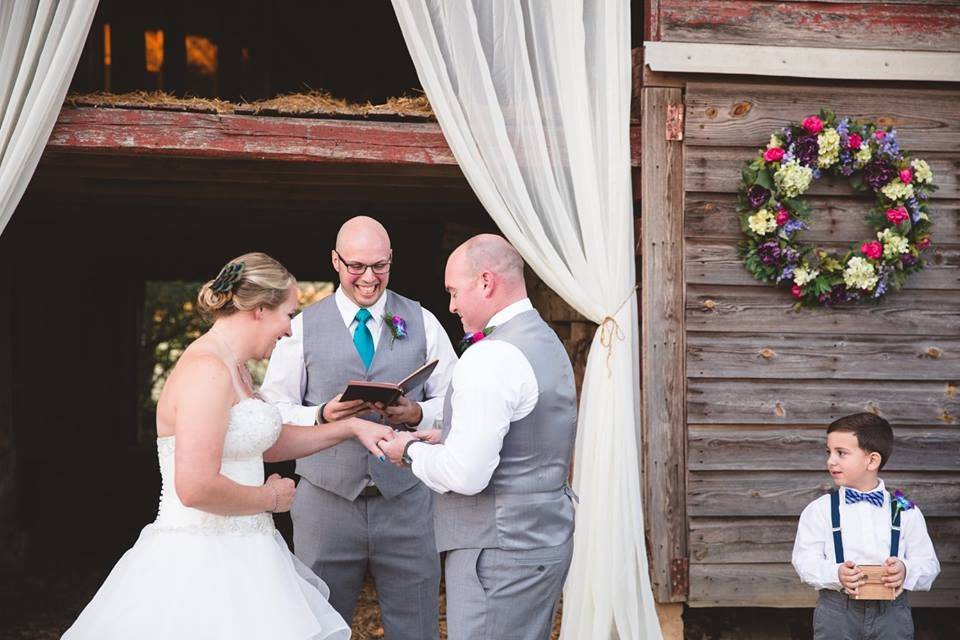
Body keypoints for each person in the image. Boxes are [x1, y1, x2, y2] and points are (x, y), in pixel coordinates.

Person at [63, 252, 395, 640]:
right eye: (288, 315)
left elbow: (262, 444)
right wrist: (270, 498)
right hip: (200, 561)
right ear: (259, 311)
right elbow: (195, 486)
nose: (289, 331)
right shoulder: (206, 371)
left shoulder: (234, 367)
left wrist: (351, 428)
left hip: (248, 554)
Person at [260, 216, 457, 640]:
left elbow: (458, 403)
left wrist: (417, 414)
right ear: (335, 261)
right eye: (357, 266)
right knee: (318, 624)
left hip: (407, 501)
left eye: (380, 266)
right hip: (325, 504)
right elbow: (272, 411)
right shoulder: (298, 328)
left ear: (391, 260)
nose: (369, 278)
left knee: (417, 623)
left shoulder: (423, 321)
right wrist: (321, 414)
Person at [380, 234, 578, 640]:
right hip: (543, 540)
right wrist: (447, 436)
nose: (451, 305)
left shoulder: (490, 356)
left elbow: (466, 476)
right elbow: (526, 433)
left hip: (498, 554)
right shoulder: (544, 341)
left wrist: (411, 450)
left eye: (454, 291)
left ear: (486, 282)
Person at [792, 412, 940, 640]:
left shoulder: (905, 508)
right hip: (837, 612)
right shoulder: (820, 509)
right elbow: (804, 561)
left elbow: (929, 565)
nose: (831, 461)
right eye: (829, 452)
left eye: (841, 453)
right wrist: (835, 573)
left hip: (892, 614)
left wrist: (905, 570)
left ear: (872, 460)